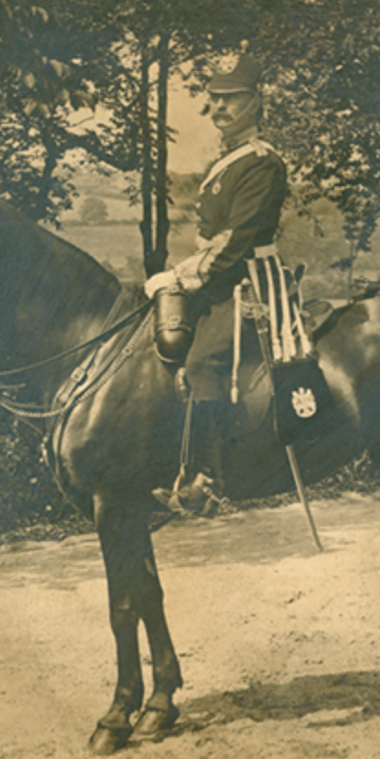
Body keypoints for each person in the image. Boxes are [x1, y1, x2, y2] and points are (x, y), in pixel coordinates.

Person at [145, 52, 288, 516]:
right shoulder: (227, 161)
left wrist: (184, 276)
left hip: (249, 281)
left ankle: (209, 480)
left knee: (204, 358)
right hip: (221, 279)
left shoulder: (262, 162)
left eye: (232, 98)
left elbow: (237, 239)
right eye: (216, 99)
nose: (220, 108)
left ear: (255, 101)